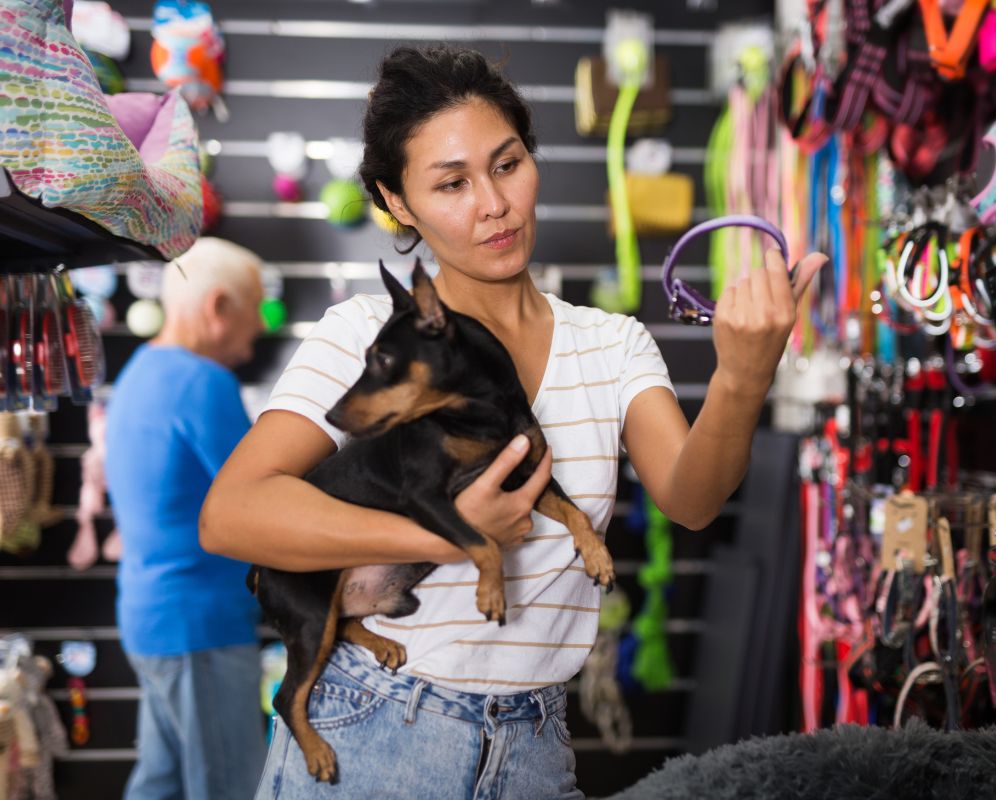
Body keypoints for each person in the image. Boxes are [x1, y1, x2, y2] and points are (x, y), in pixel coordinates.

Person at [199, 47, 825, 800]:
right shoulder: (367, 338)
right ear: (397, 203)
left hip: (535, 750)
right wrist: (450, 534)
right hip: (371, 734)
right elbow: (232, 514)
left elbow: (691, 502)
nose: (494, 203)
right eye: (452, 183)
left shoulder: (611, 343)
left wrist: (744, 375)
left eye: (508, 164)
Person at [106, 237, 268, 800]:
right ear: (218, 306)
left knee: (162, 779)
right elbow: (264, 495)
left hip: (152, 618)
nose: (253, 341)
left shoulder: (139, 374)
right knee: (229, 786)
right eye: (253, 315)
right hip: (199, 626)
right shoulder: (202, 380)